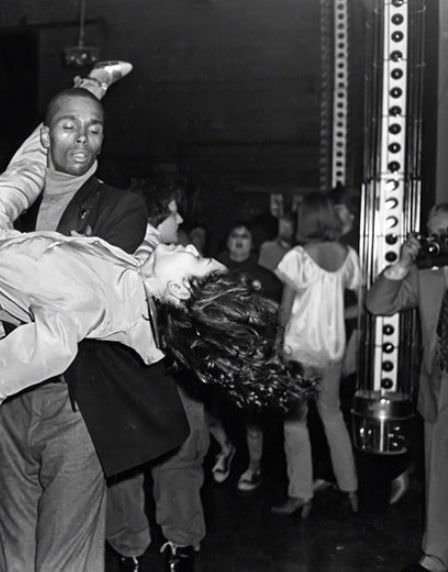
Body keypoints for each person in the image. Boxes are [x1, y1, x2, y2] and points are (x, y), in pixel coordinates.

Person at [0, 73, 312, 571]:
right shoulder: (137, 284)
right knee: (19, 551)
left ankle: (85, 90)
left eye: (195, 263)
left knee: (60, 558)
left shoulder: (93, 299)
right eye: (202, 255)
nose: (194, 247)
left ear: (178, 290)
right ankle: (87, 88)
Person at [108, 179, 209, 571]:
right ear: (156, 213)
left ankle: (128, 550)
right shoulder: (179, 256)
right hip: (174, 373)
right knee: (180, 462)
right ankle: (180, 548)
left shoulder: (110, 251)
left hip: (124, 372)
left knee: (124, 465)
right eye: (174, 210)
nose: (180, 217)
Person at [365, 202, 448, 572]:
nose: (439, 240)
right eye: (434, 233)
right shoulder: (426, 277)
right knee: (440, 476)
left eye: (446, 233)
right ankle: (438, 553)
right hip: (440, 386)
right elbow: (377, 303)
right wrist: (402, 263)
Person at [271, 192, 360, 518]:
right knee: (333, 417)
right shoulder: (348, 255)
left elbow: (284, 309)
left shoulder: (298, 256)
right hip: (332, 350)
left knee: (296, 422)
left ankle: (301, 494)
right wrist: (337, 317)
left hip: (300, 350)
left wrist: (277, 342)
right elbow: (361, 304)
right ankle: (351, 489)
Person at [208, 221, 282, 491]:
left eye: (245, 236)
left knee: (252, 418)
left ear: (253, 243)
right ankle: (225, 448)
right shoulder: (211, 270)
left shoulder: (265, 276)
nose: (239, 240)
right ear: (227, 241)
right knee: (209, 413)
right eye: (234, 235)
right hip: (216, 353)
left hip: (252, 355)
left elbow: (279, 312)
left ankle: (254, 467)